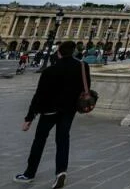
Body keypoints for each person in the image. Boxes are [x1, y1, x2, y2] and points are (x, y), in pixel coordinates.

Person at [14, 41, 90, 188]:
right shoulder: (83, 66)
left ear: (59, 52)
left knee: (39, 140)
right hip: (69, 110)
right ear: (74, 52)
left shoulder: (50, 71)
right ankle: (61, 172)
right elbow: (86, 87)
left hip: (49, 110)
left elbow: (39, 95)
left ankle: (29, 173)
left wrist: (29, 117)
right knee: (62, 140)